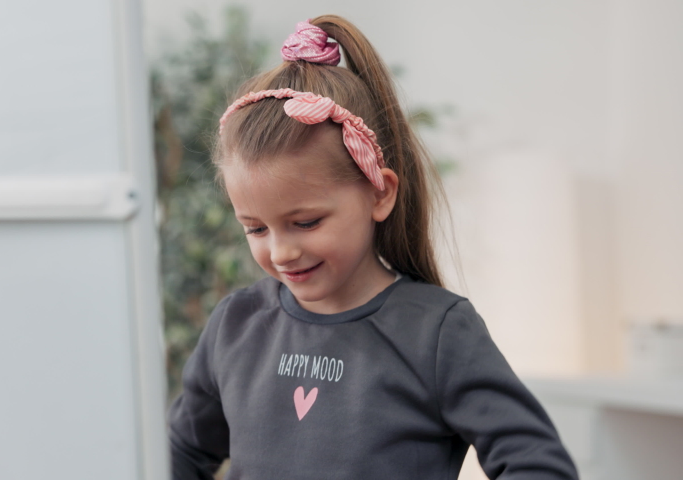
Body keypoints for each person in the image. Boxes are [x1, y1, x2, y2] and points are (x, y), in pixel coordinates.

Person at [168, 15, 578, 480]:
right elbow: (176, 454)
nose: (280, 252)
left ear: (379, 193)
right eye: (255, 229)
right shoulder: (235, 326)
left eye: (305, 222)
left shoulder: (438, 333)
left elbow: (539, 465)